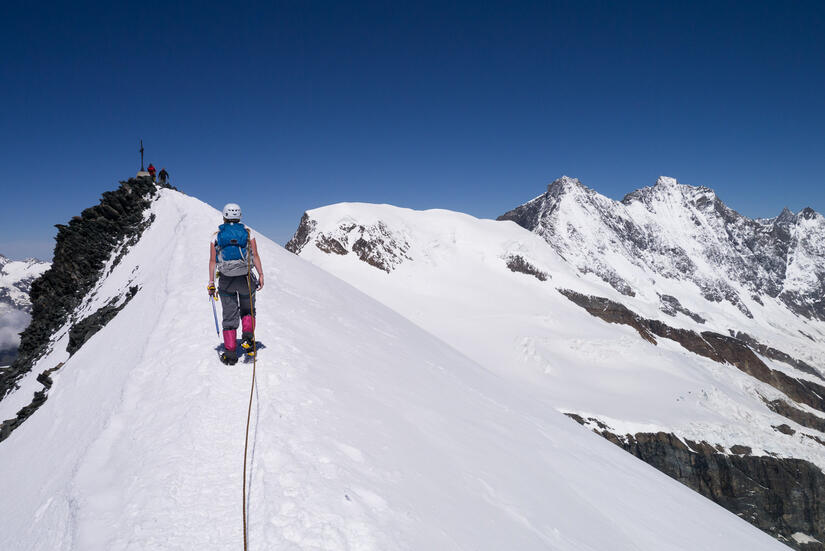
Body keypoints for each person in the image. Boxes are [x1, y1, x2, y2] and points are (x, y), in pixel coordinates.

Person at [207, 203, 265, 365]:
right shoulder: (247, 233)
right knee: (248, 309)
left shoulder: (216, 236)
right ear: (240, 216)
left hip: (226, 280)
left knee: (229, 316)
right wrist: (260, 274)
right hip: (245, 278)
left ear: (224, 216)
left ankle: (231, 354)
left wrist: (211, 282)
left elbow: (213, 261)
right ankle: (247, 338)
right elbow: (255, 256)